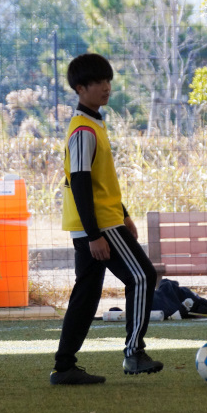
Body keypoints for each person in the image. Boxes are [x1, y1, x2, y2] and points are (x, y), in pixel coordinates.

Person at [50, 53, 162, 385]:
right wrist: (94, 234)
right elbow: (80, 183)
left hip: (104, 221)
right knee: (143, 276)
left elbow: (100, 181)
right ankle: (134, 353)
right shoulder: (83, 130)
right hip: (99, 225)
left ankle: (64, 367)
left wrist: (124, 213)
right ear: (80, 88)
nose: (106, 87)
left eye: (108, 80)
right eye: (98, 82)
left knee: (86, 296)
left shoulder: (94, 123)